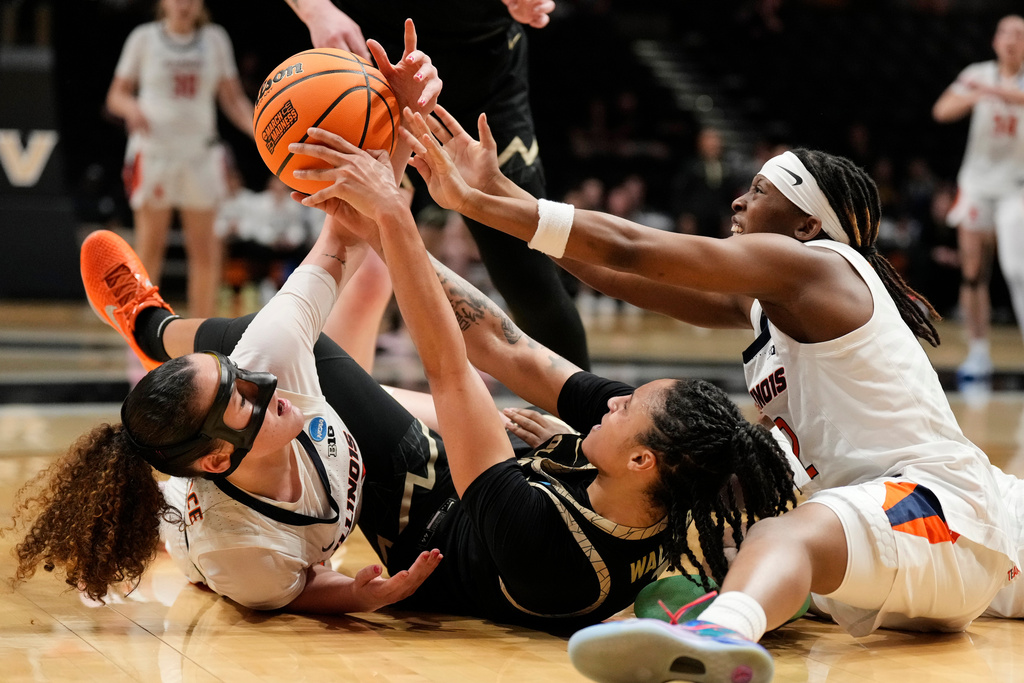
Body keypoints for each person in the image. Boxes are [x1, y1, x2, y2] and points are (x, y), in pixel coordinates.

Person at [5, 144, 798, 633]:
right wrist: (401, 196)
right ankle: (153, 329)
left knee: (300, 347)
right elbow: (513, 348)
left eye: (626, 409)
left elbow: (455, 365)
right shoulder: (658, 486)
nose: (615, 400)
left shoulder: (549, 546)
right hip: (448, 474)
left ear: (642, 463)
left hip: (417, 520)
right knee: (329, 321)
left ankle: (149, 328)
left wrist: (393, 221)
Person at [393, 108, 1024, 680]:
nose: (738, 201)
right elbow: (611, 270)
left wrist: (477, 204)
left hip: (942, 508)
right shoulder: (770, 304)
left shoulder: (821, 267)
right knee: (751, 541)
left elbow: (633, 246)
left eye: (758, 192)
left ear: (805, 225)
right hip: (910, 531)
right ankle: (723, 616)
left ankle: (714, 642)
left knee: (777, 538)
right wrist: (501, 193)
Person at [280, 0, 592, 371]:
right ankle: (336, 413)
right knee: (360, 270)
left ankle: (583, 419)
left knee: (527, 277)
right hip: (372, 67)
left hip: (481, 76)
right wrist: (315, 8)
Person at [105, 0, 255, 319]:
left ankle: (200, 333)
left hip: (199, 155)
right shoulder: (144, 38)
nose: (183, 4)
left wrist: (265, 132)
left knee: (205, 252)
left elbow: (233, 100)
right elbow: (115, 96)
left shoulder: (215, 39)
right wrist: (131, 108)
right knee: (149, 248)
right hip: (154, 153)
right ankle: (141, 332)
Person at [933, 14, 1024, 384]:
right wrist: (976, 93)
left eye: (1019, 34)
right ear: (994, 41)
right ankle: (978, 352)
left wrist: (998, 93)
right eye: (1004, 32)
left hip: (1015, 186)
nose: (1011, 39)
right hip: (976, 183)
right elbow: (942, 111)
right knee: (973, 274)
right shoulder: (978, 73)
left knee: (1017, 268)